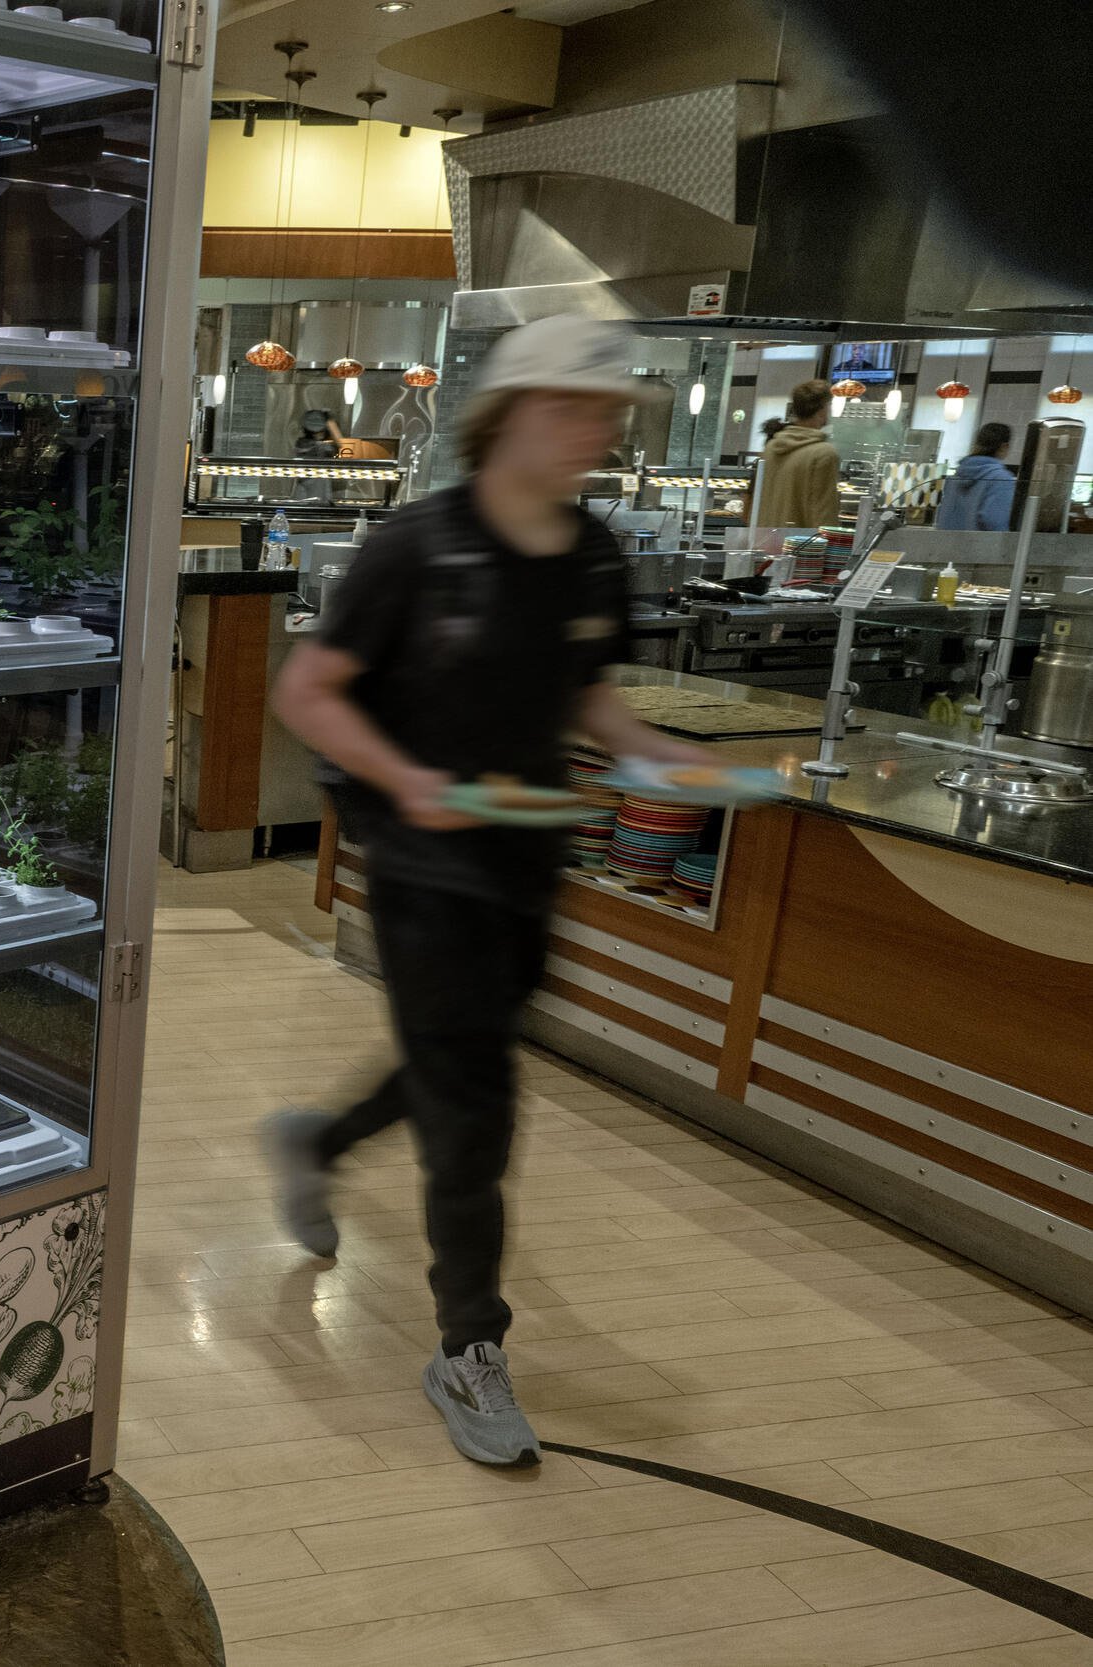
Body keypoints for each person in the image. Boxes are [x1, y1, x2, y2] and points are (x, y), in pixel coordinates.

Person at [265, 315, 714, 1469]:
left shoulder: (594, 552)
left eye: (609, 413)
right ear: (508, 412)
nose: (600, 430)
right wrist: (409, 779)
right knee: (477, 1113)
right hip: (421, 864)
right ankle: (467, 1346)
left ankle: (313, 1140)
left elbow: (581, 697)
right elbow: (309, 691)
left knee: (453, 1061)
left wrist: (652, 748)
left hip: (526, 860)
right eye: (577, 407)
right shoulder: (416, 547)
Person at [753, 379, 843, 529]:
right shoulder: (823, 454)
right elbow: (823, 513)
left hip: (764, 544)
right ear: (822, 410)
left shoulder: (770, 447)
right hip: (800, 547)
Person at [936, 422, 1016, 531]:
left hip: (947, 545)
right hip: (977, 546)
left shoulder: (957, 475)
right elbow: (996, 523)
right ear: (1004, 446)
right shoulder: (1001, 479)